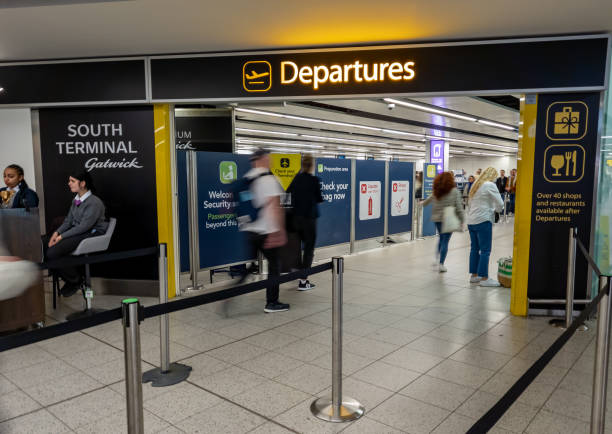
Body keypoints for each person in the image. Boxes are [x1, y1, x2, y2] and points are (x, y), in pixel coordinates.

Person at [239, 149, 290, 313]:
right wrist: (280, 231)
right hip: (267, 231)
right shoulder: (269, 179)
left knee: (251, 266)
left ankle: (232, 293)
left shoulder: (247, 178)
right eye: (268, 158)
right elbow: (276, 206)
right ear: (264, 159)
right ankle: (272, 302)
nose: (270, 161)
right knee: (274, 266)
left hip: (250, 230)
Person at [44, 171, 108, 297]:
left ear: (83, 183)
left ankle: (75, 280)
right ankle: (72, 278)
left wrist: (61, 237)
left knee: (53, 252)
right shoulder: (76, 200)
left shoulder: (94, 202)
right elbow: (68, 221)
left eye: (72, 181)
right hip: (79, 231)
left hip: (91, 234)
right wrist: (56, 233)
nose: (69, 184)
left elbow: (84, 226)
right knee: (45, 244)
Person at [286, 155, 323, 290]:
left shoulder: (295, 179)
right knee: (308, 249)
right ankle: (303, 281)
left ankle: (296, 269)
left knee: (296, 247)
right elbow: (319, 198)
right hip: (309, 220)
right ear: (312, 165)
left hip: (295, 220)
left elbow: (286, 197)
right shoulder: (314, 180)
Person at [467, 167, 504, 287]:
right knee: (485, 250)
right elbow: (500, 203)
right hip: (483, 220)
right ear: (492, 176)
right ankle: (484, 278)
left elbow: (470, 203)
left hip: (471, 221)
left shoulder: (475, 185)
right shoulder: (490, 185)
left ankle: (474, 275)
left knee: (474, 249)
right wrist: (496, 210)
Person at [422, 171, 464, 273]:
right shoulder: (455, 191)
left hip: (437, 218)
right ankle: (441, 264)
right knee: (445, 240)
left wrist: (421, 203)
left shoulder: (437, 190)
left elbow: (427, 201)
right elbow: (459, 207)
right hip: (448, 218)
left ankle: (436, 259)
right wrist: (462, 219)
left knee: (441, 238)